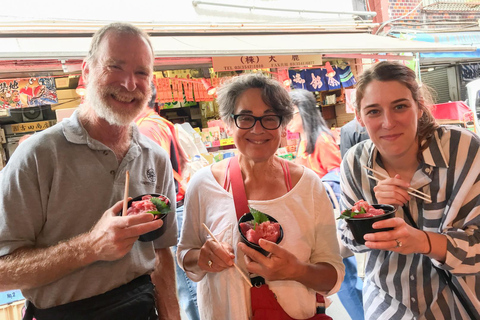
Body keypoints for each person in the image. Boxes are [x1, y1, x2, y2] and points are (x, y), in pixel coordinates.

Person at [0, 22, 181, 320]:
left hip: (141, 308)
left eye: (141, 73)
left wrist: (173, 315)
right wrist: (91, 246)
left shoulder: (155, 157)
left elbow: (160, 251)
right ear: (86, 71)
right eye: (115, 67)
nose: (129, 84)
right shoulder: (38, 155)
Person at [177, 73, 344, 320]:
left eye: (269, 118)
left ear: (283, 125)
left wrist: (295, 270)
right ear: (228, 123)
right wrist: (202, 258)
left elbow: (333, 276)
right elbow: (184, 256)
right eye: (245, 118)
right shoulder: (202, 185)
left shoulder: (308, 186)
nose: (257, 129)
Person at [340, 61, 480, 319]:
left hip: (457, 304)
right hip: (387, 305)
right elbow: (348, 242)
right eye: (373, 111)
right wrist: (371, 213)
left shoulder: (463, 151)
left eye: (400, 107)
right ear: (359, 117)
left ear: (419, 107)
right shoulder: (355, 162)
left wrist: (424, 242)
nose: (388, 123)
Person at [288, 89, 364, 320]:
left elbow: (336, 177)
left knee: (346, 280)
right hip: (314, 219)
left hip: (327, 218)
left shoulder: (321, 140)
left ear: (302, 112)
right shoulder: (305, 140)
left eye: (289, 113)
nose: (286, 119)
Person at [135, 83, 200, 320]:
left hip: (168, 212)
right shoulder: (160, 123)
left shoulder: (146, 129)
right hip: (176, 206)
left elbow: (152, 178)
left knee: (186, 290)